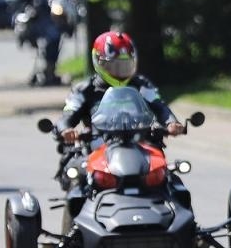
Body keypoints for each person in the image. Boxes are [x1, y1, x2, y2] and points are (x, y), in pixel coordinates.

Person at [55, 30, 184, 161]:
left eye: (125, 65)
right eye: (114, 66)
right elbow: (68, 114)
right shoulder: (84, 89)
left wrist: (171, 122)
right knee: (71, 166)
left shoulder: (142, 85)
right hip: (97, 152)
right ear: (98, 61)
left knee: (166, 171)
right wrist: (65, 129)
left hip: (141, 148)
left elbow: (160, 106)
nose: (120, 71)